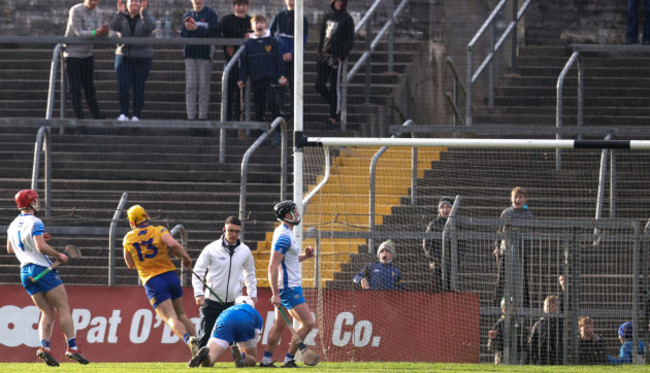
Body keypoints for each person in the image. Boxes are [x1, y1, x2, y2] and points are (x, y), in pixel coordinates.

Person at [6, 190, 89, 366]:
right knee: (63, 307)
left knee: (47, 311)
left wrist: (35, 241)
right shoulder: (36, 221)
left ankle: (44, 347)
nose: (37, 202)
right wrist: (60, 254)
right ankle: (72, 348)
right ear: (30, 203)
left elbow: (11, 249)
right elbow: (40, 246)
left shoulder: (12, 224)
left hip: (24, 272)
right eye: (35, 200)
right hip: (42, 269)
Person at [122, 204, 200, 359]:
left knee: (171, 318)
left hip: (153, 281)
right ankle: (201, 344)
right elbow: (174, 244)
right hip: (170, 276)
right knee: (182, 314)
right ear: (146, 216)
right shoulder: (159, 230)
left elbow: (130, 264)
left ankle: (189, 340)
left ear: (132, 222)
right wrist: (186, 258)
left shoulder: (128, 238)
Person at [260, 200, 316, 368]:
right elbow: (273, 265)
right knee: (307, 323)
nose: (297, 214)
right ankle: (289, 359)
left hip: (287, 286)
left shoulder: (285, 232)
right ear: (286, 215)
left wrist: (304, 257)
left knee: (280, 324)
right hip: (288, 288)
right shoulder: (284, 236)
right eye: (294, 211)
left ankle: (266, 361)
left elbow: (287, 260)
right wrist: (275, 293)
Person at [192, 216, 257, 348]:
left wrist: (252, 294)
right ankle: (200, 362)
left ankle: (240, 362)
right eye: (230, 230)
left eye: (237, 232)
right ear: (224, 229)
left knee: (237, 337)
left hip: (234, 302)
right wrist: (198, 293)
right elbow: (198, 272)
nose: (233, 234)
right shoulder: (211, 249)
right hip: (211, 301)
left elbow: (249, 273)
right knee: (205, 336)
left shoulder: (245, 251)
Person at [268, 0, 308, 146]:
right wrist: (278, 52)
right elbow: (270, 33)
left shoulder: (302, 18)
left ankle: (293, 115)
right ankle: (281, 113)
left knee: (294, 87)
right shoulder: (279, 16)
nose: (291, 2)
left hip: (294, 59)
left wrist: (292, 53)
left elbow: (304, 38)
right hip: (280, 59)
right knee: (280, 87)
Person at [110, 0, 155, 121]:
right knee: (123, 85)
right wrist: (119, 13)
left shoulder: (145, 16)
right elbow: (113, 27)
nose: (134, 4)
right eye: (131, 1)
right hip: (123, 56)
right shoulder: (122, 17)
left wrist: (144, 12)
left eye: (137, 1)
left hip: (142, 57)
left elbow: (151, 26)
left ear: (141, 3)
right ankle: (123, 113)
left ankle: (136, 115)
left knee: (138, 87)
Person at [238, 15, 287, 124]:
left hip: (271, 78)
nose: (259, 25)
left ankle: (278, 128)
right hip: (256, 78)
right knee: (259, 105)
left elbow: (279, 59)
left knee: (271, 101)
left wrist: (281, 75)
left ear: (265, 25)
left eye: (261, 22)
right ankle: (260, 130)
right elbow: (244, 63)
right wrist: (242, 78)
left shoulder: (272, 41)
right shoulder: (249, 43)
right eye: (256, 23)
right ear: (252, 26)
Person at [63, 0, 108, 120]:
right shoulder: (75, 10)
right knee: (75, 89)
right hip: (72, 55)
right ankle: (80, 118)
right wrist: (95, 32)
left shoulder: (98, 12)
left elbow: (98, 31)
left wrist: (104, 32)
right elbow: (79, 33)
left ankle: (96, 114)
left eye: (96, 0)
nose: (93, 3)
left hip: (87, 54)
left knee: (89, 87)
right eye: (91, 0)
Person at [188, 296, 262, 368]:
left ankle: (204, 356)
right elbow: (255, 337)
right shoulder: (254, 312)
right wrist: (241, 348)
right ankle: (241, 355)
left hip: (224, 317)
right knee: (252, 360)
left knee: (208, 362)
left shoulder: (229, 309)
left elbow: (215, 330)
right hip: (245, 319)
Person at [314, 0, 354, 129]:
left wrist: (340, 57)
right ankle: (336, 106)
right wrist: (319, 53)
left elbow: (350, 40)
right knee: (319, 85)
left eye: (340, 1)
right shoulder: (328, 17)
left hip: (335, 58)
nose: (338, 3)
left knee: (334, 86)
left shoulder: (347, 19)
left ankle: (333, 118)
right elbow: (322, 36)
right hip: (324, 56)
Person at [493, 186, 533, 308]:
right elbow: (499, 231)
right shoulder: (506, 213)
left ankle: (524, 306)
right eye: (515, 197)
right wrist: (497, 246)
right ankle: (496, 305)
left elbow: (529, 234)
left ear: (525, 199)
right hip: (506, 251)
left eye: (520, 197)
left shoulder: (528, 215)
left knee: (522, 279)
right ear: (511, 198)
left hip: (521, 252)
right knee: (502, 278)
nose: (518, 199)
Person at [181, 0, 218, 121]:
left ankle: (202, 117)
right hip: (191, 54)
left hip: (204, 54)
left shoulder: (211, 14)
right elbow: (183, 34)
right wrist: (190, 29)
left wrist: (196, 29)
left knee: (203, 87)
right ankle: (190, 118)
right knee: (190, 86)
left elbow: (213, 33)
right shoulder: (187, 15)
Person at [218, 0, 252, 125]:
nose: (240, 8)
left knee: (240, 92)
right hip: (230, 61)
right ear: (233, 7)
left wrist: (252, 37)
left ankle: (238, 117)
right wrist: (226, 43)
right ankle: (226, 117)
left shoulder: (251, 21)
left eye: (243, 5)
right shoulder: (227, 20)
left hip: (245, 63)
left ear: (247, 7)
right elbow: (215, 32)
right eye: (238, 5)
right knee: (228, 90)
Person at [422, 196, 459, 291]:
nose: (445, 210)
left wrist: (456, 260)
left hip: (452, 265)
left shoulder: (456, 225)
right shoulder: (433, 224)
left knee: (451, 289)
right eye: (442, 207)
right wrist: (437, 259)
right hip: (436, 265)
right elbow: (427, 245)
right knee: (436, 290)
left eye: (448, 207)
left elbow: (461, 245)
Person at [487, 296, 525, 364]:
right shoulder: (499, 323)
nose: (511, 308)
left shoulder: (519, 323)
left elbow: (523, 341)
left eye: (513, 306)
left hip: (517, 357)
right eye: (507, 306)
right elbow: (491, 347)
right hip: (501, 357)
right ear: (502, 308)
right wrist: (492, 338)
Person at [527, 294, 563, 365]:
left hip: (555, 356)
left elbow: (564, 304)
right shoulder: (538, 324)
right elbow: (531, 341)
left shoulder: (560, 321)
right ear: (543, 308)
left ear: (557, 308)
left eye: (552, 306)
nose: (549, 308)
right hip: (541, 356)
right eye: (547, 306)